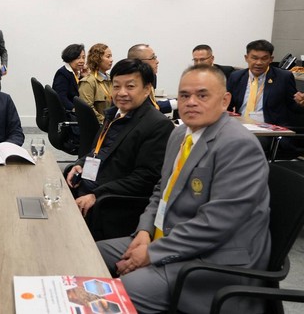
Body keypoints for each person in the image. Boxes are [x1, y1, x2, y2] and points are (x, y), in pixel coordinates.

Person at [97, 65, 270, 314]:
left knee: (111, 295)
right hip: (166, 236)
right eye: (184, 95)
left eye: (202, 95)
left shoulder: (239, 145)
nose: (191, 102)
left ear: (225, 101)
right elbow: (161, 189)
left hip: (210, 260)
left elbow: (215, 224)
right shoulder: (180, 134)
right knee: (91, 254)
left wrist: (151, 253)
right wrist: (144, 230)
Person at [65, 59, 174, 232]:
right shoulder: (114, 114)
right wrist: (81, 163)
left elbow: (145, 179)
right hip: (87, 185)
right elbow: (99, 151)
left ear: (147, 89)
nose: (121, 93)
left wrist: (96, 195)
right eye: (116, 86)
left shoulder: (157, 125)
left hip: (110, 201)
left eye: (130, 87)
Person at [227, 39, 300, 127]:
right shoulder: (236, 77)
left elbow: (293, 107)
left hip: (270, 128)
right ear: (246, 58)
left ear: (271, 59)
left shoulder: (283, 77)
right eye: (254, 58)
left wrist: (301, 103)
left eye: (264, 58)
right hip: (240, 126)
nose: (259, 63)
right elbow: (227, 106)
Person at [127, 44, 176, 114]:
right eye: (153, 58)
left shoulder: (151, 77)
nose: (157, 61)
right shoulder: (129, 83)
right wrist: (176, 103)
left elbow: (152, 104)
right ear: (139, 62)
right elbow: (146, 109)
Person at [79, 43, 113, 125]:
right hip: (99, 126)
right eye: (108, 56)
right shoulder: (89, 82)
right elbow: (87, 109)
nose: (111, 60)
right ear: (97, 59)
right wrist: (105, 122)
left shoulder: (112, 79)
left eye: (111, 56)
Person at [52, 43, 86, 113]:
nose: (82, 61)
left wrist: (83, 77)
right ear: (70, 58)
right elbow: (61, 97)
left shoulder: (77, 73)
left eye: (83, 57)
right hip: (67, 113)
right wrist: (74, 109)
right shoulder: (63, 73)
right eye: (78, 58)